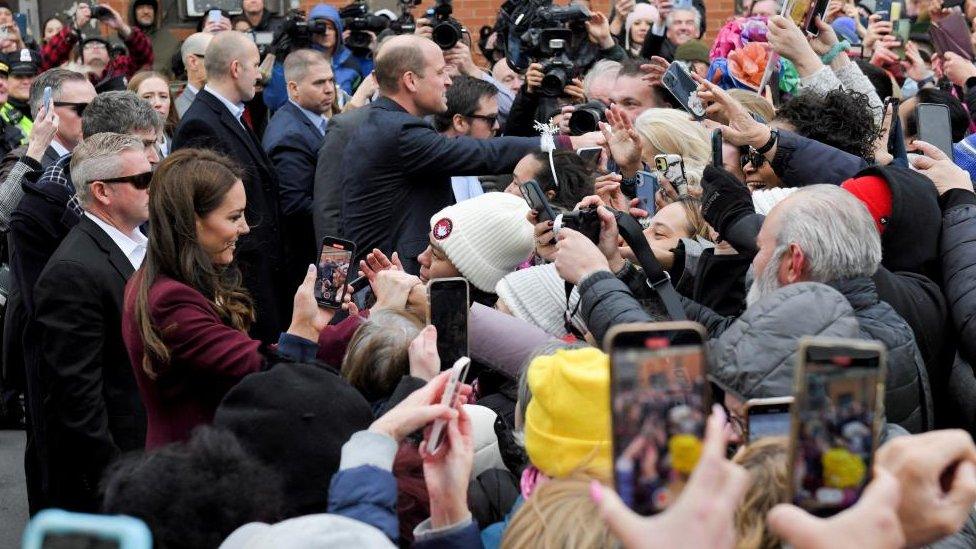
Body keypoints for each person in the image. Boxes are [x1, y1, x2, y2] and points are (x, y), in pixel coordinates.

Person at [122, 148, 352, 448]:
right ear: (192, 221)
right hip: (195, 468)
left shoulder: (176, 281)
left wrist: (346, 322)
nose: (244, 228)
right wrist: (303, 325)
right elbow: (263, 375)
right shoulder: (168, 300)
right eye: (234, 217)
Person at [339, 34, 596, 273]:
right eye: (440, 73)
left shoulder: (382, 123)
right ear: (410, 80)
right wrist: (565, 142)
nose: (448, 81)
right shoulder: (398, 130)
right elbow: (486, 153)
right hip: (391, 277)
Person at [32, 132, 151, 512]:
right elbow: (75, 396)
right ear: (102, 191)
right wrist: (116, 476)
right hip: (116, 473)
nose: (154, 187)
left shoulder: (140, 242)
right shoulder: (73, 271)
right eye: (142, 180)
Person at [172, 30, 287, 344]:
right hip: (240, 280)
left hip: (262, 275)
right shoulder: (201, 124)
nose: (260, 76)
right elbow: (203, 210)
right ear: (236, 68)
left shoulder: (234, 116)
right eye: (255, 65)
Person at [262, 49, 334, 289]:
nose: (329, 88)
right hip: (306, 260)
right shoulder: (290, 135)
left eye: (331, 80)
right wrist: (342, 209)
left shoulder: (311, 120)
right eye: (319, 83)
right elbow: (294, 205)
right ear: (293, 88)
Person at [418, 192, 534, 305]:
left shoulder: (478, 323)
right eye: (429, 244)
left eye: (435, 254)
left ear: (472, 278)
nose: (421, 258)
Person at [263, 4, 364, 111]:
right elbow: (275, 101)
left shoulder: (351, 62)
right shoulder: (300, 61)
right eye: (320, 28)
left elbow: (365, 98)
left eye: (330, 28)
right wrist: (280, 60)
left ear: (338, 31)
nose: (326, 33)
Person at [40, 3, 153, 89]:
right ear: (79, 58)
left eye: (100, 45)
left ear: (110, 55)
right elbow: (46, 62)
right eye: (88, 46)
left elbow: (145, 57)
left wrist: (122, 27)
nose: (95, 47)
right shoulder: (70, 74)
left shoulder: (120, 66)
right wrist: (74, 28)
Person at [432, 75, 500, 202]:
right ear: (460, 122)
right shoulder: (433, 177)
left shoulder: (474, 167)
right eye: (490, 119)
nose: (497, 126)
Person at [127, 71, 177, 156]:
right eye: (147, 97)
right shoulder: (129, 150)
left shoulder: (180, 142)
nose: (158, 103)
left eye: (163, 96)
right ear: (132, 102)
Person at [0, 48, 40, 146]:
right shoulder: (1, 112)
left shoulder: (47, 108)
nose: (26, 81)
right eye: (18, 76)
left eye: (30, 75)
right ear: (6, 79)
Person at [128, 0, 180, 76]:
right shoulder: (119, 41)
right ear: (133, 12)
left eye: (150, 8)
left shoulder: (170, 42)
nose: (146, 11)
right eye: (140, 8)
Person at [174, 32, 213, 117]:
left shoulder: (230, 102)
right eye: (215, 58)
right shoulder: (178, 112)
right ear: (193, 62)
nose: (222, 65)